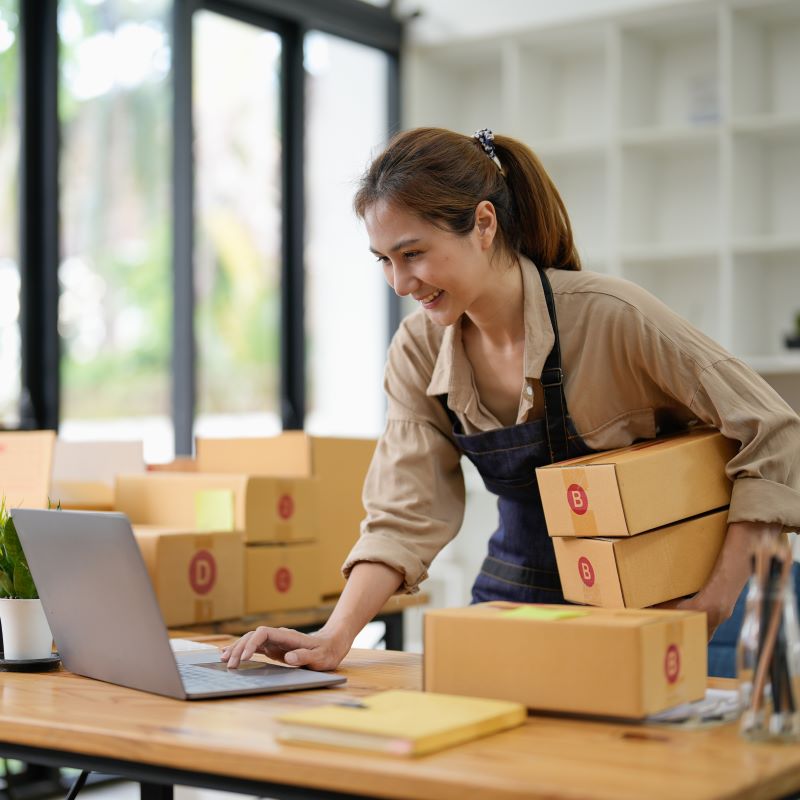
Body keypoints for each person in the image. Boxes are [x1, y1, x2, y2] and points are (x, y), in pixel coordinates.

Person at [222, 127, 800, 672]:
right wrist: (333, 636)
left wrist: (715, 601)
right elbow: (405, 512)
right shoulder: (418, 350)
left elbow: (774, 431)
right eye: (384, 261)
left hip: (653, 600)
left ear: (483, 223)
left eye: (413, 253)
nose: (400, 283)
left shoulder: (611, 316)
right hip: (516, 590)